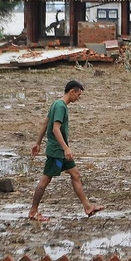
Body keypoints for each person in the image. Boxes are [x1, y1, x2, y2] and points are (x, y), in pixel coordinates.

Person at [27, 80, 105, 221]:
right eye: (78, 95)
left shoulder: (56, 103)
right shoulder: (61, 107)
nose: (78, 98)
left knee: (75, 174)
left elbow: (45, 123)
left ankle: (87, 207)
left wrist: (37, 143)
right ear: (71, 92)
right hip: (57, 151)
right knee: (45, 180)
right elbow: (55, 128)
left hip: (60, 151)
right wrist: (66, 148)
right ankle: (33, 211)